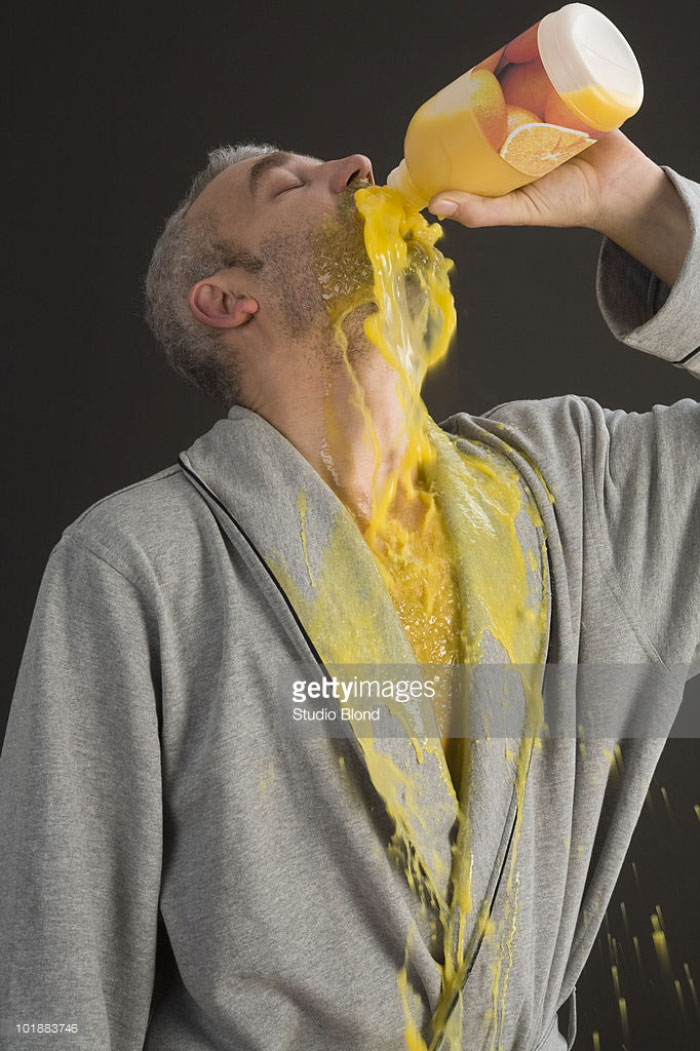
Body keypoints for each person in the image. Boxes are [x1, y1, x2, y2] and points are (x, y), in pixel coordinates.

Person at [1, 130, 697, 1051]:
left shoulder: (567, 492)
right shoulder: (137, 564)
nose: (358, 169)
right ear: (226, 298)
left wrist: (642, 206)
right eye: (286, 182)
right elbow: (58, 979)